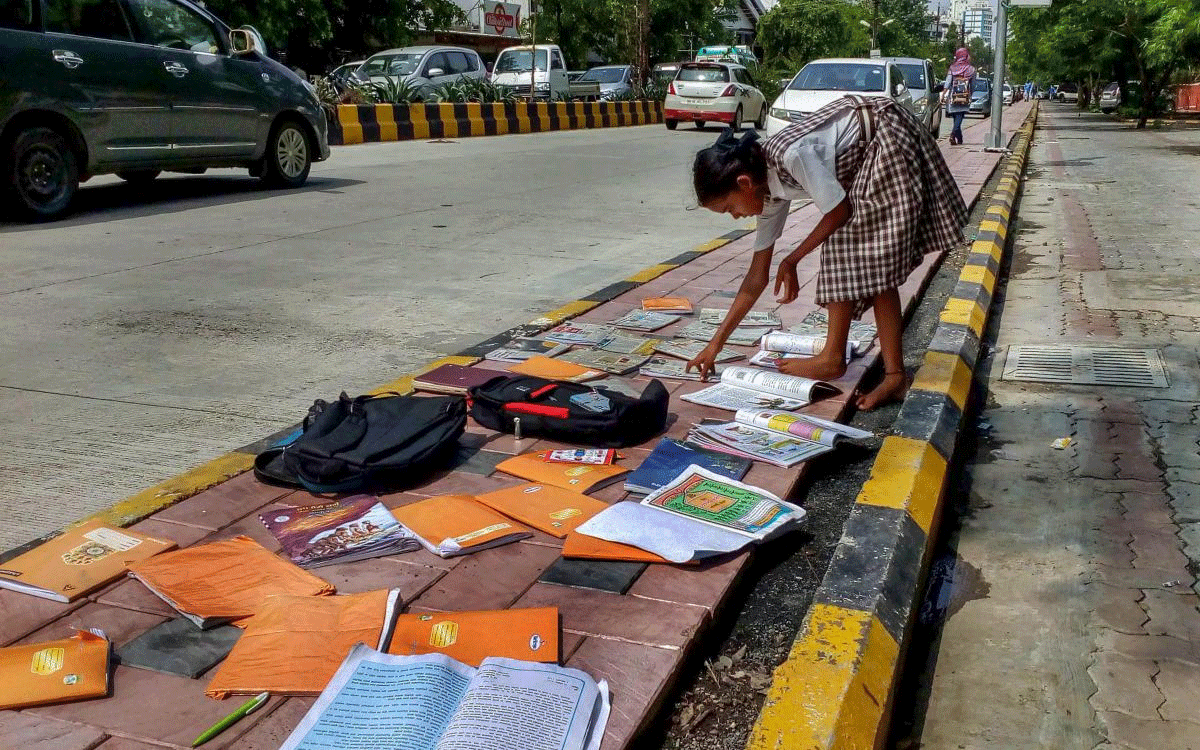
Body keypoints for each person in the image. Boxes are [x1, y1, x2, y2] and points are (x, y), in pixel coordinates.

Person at [685, 96, 968, 410]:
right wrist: (716, 344)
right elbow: (755, 278)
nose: (735, 216)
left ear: (744, 183)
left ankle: (836, 358)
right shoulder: (766, 194)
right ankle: (894, 376)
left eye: (729, 208)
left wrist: (793, 258)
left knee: (848, 245)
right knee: (872, 262)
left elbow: (838, 211)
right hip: (868, 152)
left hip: (887, 133)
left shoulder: (790, 156)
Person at [944, 48, 975, 145]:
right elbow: (973, 85)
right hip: (964, 96)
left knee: (956, 117)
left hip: (953, 96)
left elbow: (948, 82)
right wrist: (969, 94)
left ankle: (958, 138)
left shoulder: (952, 68)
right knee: (959, 117)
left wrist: (944, 94)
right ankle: (955, 135)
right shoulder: (971, 69)